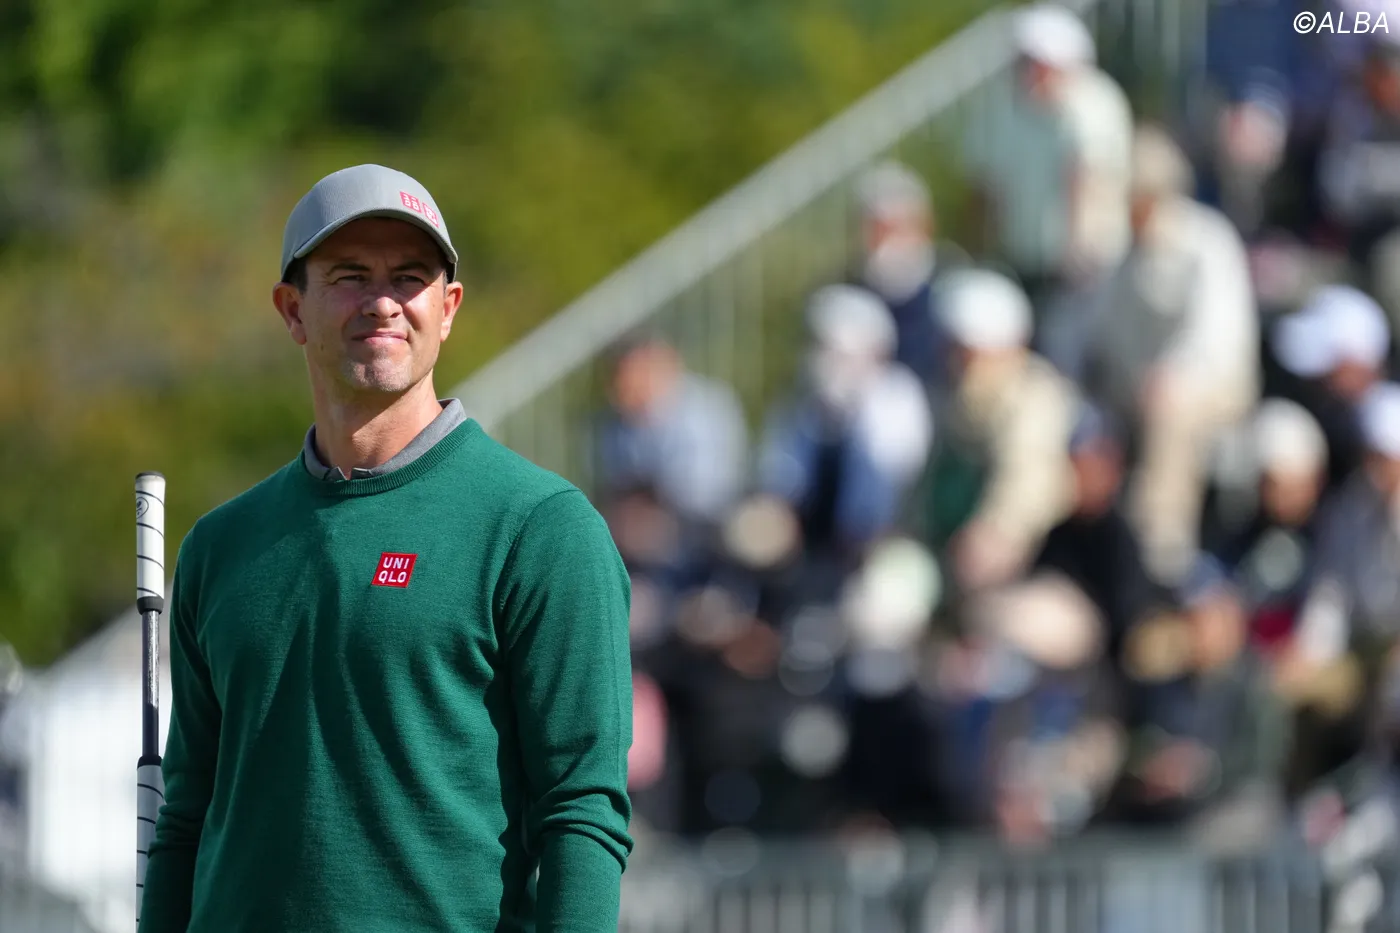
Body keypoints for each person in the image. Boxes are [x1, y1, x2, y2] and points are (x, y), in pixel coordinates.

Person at [139, 165, 633, 933]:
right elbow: (185, 819)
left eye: (409, 276)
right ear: (292, 309)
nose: (383, 301)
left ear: (448, 306)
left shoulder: (542, 528)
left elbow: (583, 812)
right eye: (349, 276)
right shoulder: (220, 546)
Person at [1082, 124, 1260, 584]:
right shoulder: (1123, 256)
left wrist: (1170, 374)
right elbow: (1101, 335)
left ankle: (1160, 551)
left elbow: (1217, 337)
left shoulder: (1208, 241)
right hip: (1138, 389)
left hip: (1212, 388)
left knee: (1171, 407)